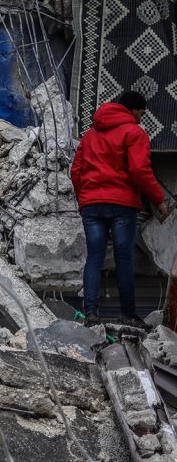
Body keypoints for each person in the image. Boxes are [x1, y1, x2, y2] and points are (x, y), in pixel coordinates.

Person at [71, 90, 171, 327]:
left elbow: (76, 170)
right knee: (123, 258)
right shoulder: (135, 133)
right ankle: (127, 314)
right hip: (121, 205)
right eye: (141, 114)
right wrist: (158, 199)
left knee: (94, 258)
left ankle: (91, 315)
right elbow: (139, 170)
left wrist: (84, 198)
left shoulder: (89, 135)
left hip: (91, 205)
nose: (141, 119)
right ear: (134, 110)